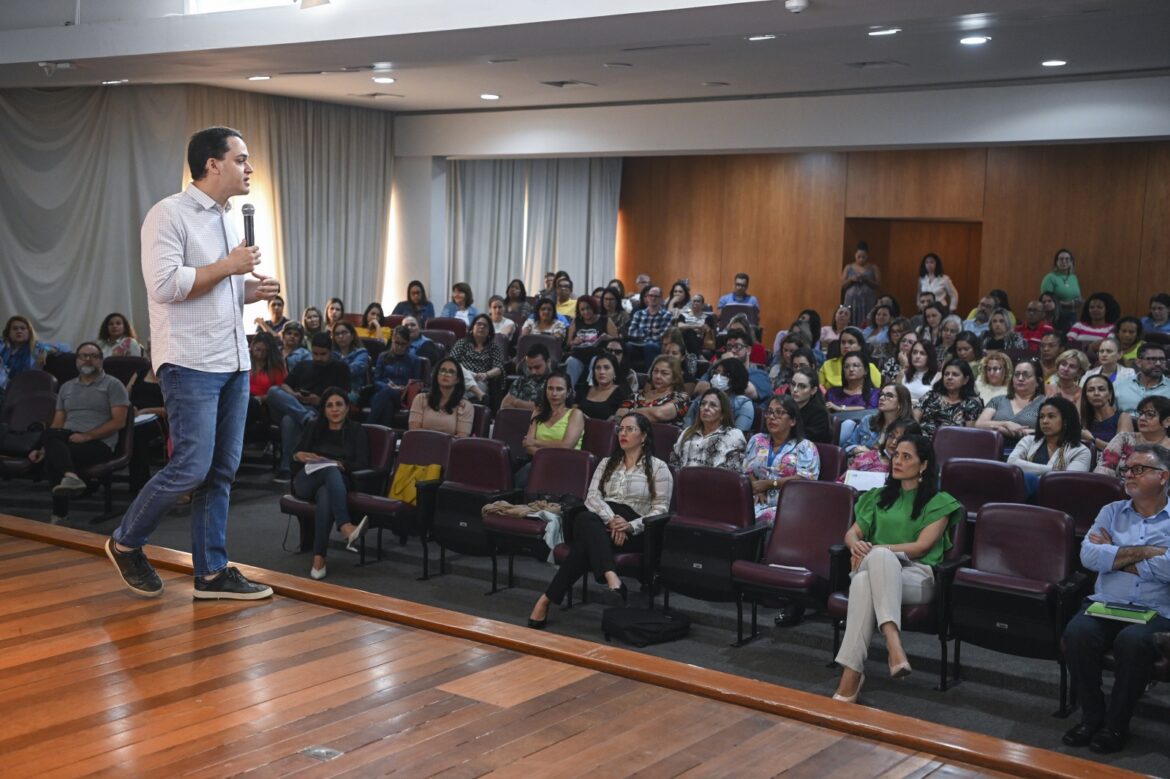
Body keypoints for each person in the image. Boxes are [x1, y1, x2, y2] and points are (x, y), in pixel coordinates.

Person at [106, 126, 279, 600]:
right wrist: (229, 267)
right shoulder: (168, 214)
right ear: (212, 164)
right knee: (191, 467)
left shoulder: (227, 219)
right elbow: (164, 286)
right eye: (241, 159)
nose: (249, 168)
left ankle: (211, 572)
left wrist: (247, 291)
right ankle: (126, 541)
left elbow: (210, 288)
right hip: (190, 361)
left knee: (222, 469)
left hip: (233, 359)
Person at [831, 435, 963, 702]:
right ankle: (892, 645)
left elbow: (922, 547)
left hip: (917, 575)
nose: (898, 461)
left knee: (864, 579)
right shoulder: (878, 497)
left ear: (924, 465)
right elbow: (852, 534)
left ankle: (852, 675)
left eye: (907, 457)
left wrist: (878, 550)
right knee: (874, 567)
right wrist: (856, 545)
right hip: (875, 565)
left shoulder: (940, 501)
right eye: (896, 455)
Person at [1062, 444, 1170, 754]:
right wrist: (1150, 553)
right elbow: (1089, 556)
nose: (1129, 474)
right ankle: (1091, 717)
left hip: (1156, 609)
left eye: (1139, 469)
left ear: (1163, 476)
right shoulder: (1111, 511)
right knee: (1078, 633)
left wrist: (1115, 554)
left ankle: (1116, 724)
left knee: (1133, 642)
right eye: (1127, 468)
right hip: (1107, 601)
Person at [526, 412, 673, 628]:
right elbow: (592, 497)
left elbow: (661, 509)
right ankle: (611, 577)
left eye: (630, 429)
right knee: (586, 517)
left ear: (643, 436)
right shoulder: (606, 463)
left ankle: (546, 600)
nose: (623, 433)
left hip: (636, 530)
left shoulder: (659, 468)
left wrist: (630, 526)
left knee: (584, 545)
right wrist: (612, 519)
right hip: (603, 521)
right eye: (621, 429)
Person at [26, 343, 129, 524]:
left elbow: (119, 422)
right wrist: (42, 448)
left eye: (93, 356)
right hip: (67, 438)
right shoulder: (66, 387)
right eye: (83, 356)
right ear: (77, 361)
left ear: (101, 360)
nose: (88, 359)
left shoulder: (114, 385)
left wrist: (86, 436)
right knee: (49, 436)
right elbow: (58, 423)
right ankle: (71, 478)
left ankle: (60, 514)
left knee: (54, 452)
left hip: (99, 443)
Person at [290, 388, 370, 580]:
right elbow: (295, 456)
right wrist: (298, 455)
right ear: (324, 410)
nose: (334, 409)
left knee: (327, 492)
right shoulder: (313, 426)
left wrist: (340, 464)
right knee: (328, 469)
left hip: (337, 482)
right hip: (307, 480)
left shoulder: (356, 430)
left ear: (347, 408)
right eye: (329, 405)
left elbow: (362, 463)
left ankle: (319, 559)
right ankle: (345, 525)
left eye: (339, 404)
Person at [267, 332, 352, 482]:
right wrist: (294, 394)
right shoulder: (303, 365)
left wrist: (319, 401)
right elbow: (285, 385)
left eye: (323, 354)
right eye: (315, 353)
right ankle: (306, 419)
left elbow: (343, 397)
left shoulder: (340, 368)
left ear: (331, 351)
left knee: (289, 420)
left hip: (319, 409)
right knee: (273, 391)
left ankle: (287, 468)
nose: (318, 358)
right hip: (297, 405)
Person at [742, 395, 820, 526]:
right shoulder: (757, 440)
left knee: (766, 518)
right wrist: (757, 487)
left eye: (779, 413)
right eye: (770, 412)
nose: (772, 417)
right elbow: (746, 469)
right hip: (756, 499)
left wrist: (770, 483)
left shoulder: (805, 446)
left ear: (792, 421)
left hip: (789, 504)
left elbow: (806, 480)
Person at [1007, 397, 1092, 496]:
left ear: (1065, 420)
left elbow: (1068, 481)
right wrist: (1055, 470)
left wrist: (1033, 477)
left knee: (1029, 479)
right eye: (1042, 417)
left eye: (1051, 416)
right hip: (1026, 495)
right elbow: (1012, 463)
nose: (1045, 421)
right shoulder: (1029, 440)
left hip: (1059, 498)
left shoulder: (1081, 451)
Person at [517, 371, 585, 485]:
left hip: (567, 464)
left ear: (568, 392)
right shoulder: (538, 411)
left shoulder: (575, 414)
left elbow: (567, 446)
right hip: (540, 462)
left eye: (559, 389)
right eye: (550, 388)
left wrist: (536, 442)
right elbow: (528, 446)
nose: (554, 393)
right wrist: (548, 455)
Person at [975, 357, 1046, 451]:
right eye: (1016, 375)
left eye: (1026, 375)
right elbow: (980, 424)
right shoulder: (998, 400)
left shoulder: (1046, 403)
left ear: (1038, 381)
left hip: (1031, 452)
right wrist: (1006, 424)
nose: (1020, 378)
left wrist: (1013, 431)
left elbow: (1050, 431)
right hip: (994, 450)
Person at [671, 388, 748, 472]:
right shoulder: (688, 432)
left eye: (713, 405)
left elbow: (732, 473)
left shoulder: (733, 436)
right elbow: (674, 463)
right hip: (683, 482)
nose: (706, 408)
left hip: (715, 483)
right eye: (703, 404)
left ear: (723, 413)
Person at [1095, 397, 1170, 479]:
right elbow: (1102, 472)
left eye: (1150, 414)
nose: (1141, 418)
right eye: (1140, 413)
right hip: (1117, 489)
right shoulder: (1124, 439)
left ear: (1167, 421)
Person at [841, 383, 914, 466]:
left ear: (901, 402)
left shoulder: (908, 427)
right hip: (861, 469)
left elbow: (909, 460)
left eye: (889, 395)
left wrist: (874, 455)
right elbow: (847, 446)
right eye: (881, 395)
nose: (882, 398)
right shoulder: (868, 420)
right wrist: (855, 449)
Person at [367, 326, 423, 428]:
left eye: (403, 344)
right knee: (387, 404)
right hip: (382, 393)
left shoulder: (414, 360)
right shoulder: (383, 356)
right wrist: (388, 386)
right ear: (392, 341)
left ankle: (368, 427)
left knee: (387, 394)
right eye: (396, 343)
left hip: (402, 396)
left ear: (408, 343)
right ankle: (385, 437)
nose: (399, 347)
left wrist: (402, 388)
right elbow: (376, 380)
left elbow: (415, 383)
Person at [914, 359, 983, 439]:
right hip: (921, 442)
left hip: (952, 446)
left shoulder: (971, 404)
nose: (949, 377)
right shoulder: (931, 395)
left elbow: (969, 435)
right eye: (946, 374)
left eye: (955, 374)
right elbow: (915, 419)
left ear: (965, 380)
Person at [684, 357, 754, 432]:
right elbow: (687, 427)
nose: (717, 377)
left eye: (724, 374)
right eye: (716, 373)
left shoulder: (744, 404)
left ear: (735, 378)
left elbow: (738, 436)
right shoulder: (702, 398)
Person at [409, 358, 474, 437]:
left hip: (450, 448)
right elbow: (414, 431)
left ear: (457, 379)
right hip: (422, 444)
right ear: (437, 375)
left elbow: (461, 437)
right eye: (442, 371)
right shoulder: (420, 399)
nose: (445, 374)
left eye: (451, 372)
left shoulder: (465, 406)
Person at [617, 355, 689, 425]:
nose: (658, 376)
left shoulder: (681, 398)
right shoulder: (635, 396)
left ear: (675, 378)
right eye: (655, 371)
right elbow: (619, 415)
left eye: (664, 373)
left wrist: (630, 412)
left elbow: (659, 413)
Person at [449, 313, 505, 402]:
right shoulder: (461, 343)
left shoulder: (493, 347)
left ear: (489, 331)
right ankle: (475, 389)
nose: (482, 327)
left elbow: (498, 368)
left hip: (480, 381)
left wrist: (486, 375)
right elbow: (451, 363)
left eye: (485, 325)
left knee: (456, 391)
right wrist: (469, 374)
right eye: (479, 324)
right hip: (459, 378)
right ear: (472, 328)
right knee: (457, 366)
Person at [564, 295, 618, 386]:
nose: (586, 312)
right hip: (580, 354)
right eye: (582, 309)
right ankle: (569, 390)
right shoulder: (576, 321)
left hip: (599, 353)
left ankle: (593, 388)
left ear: (593, 307)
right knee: (570, 361)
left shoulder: (604, 320)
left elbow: (617, 341)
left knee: (595, 360)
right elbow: (568, 343)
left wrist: (607, 338)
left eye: (588, 308)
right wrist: (574, 342)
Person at [245, 332, 286, 443]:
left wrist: (262, 398)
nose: (261, 354)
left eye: (265, 351)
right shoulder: (245, 361)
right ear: (252, 346)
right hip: (243, 397)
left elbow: (279, 391)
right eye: (258, 349)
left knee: (251, 404)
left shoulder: (276, 367)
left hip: (263, 402)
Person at [1080, 375, 1134, 453]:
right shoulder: (1082, 420)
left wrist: (1092, 440)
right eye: (1091, 390)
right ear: (1086, 395)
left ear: (1110, 394)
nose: (1096, 393)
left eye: (1101, 389)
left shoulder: (1123, 417)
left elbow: (1121, 451)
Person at [1113, 343, 1170, 413]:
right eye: (1152, 359)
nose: (1158, 363)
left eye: (1162, 359)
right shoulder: (1119, 386)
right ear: (1138, 362)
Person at [626, 286, 673, 367]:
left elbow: (663, 336)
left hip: (656, 346)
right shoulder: (639, 314)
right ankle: (627, 375)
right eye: (650, 296)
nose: (653, 298)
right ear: (647, 297)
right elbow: (631, 332)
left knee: (650, 346)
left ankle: (649, 376)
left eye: (656, 296)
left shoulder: (666, 315)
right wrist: (648, 331)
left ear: (661, 299)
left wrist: (641, 332)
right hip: (638, 344)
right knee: (627, 346)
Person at [576, 352, 631, 420]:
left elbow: (621, 420)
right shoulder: (585, 388)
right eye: (598, 368)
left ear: (615, 372)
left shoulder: (622, 393)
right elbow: (573, 411)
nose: (601, 372)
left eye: (606, 368)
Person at [2, 315, 56, 380]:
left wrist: (45, 350)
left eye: (23, 328)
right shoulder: (3, 347)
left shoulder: (36, 347)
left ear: (29, 332)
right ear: (9, 333)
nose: (19, 331)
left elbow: (59, 348)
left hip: (26, 385)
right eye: (15, 328)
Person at [501, 343, 551, 411]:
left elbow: (546, 410)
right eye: (530, 368)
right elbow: (504, 406)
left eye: (537, 367)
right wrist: (530, 406)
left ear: (548, 362)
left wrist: (517, 402)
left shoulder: (556, 382)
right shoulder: (521, 381)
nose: (533, 372)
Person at [841, 242, 880, 328]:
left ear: (867, 256)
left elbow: (878, 285)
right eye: (859, 257)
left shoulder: (873, 267)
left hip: (868, 301)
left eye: (864, 257)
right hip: (851, 300)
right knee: (850, 319)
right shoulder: (848, 267)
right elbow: (842, 286)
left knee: (868, 321)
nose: (861, 259)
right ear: (855, 255)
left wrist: (866, 279)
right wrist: (851, 279)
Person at [331, 320, 370, 401]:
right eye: (337, 334)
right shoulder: (332, 354)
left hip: (353, 391)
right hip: (333, 390)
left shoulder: (361, 352)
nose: (340, 336)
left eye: (344, 333)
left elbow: (355, 369)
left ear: (352, 335)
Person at [1040, 248, 1082, 322]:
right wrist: (1067, 304)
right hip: (1055, 316)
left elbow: (1078, 296)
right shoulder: (1050, 277)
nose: (1064, 261)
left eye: (1067, 259)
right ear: (1056, 262)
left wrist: (1079, 301)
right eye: (1061, 259)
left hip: (1072, 314)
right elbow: (1046, 300)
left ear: (1071, 262)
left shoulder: (1073, 277)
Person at [899, 340, 939, 407]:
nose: (917, 356)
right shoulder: (903, 374)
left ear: (930, 357)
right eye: (914, 352)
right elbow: (896, 397)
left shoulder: (937, 377)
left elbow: (936, 403)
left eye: (922, 353)